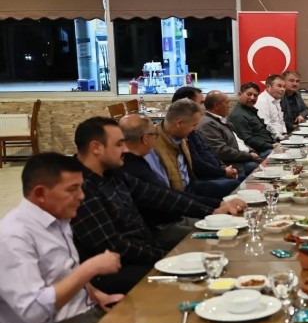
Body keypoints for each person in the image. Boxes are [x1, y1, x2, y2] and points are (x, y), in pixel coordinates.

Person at [71, 117, 241, 294]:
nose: (125, 149)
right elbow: (113, 246)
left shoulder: (112, 173)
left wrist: (214, 208)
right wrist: (167, 257)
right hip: (115, 270)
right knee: (199, 276)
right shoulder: (78, 186)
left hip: (142, 250)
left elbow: (158, 195)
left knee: (212, 254)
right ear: (96, 148)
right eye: (119, 144)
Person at [0, 153, 122, 323]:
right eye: (72, 189)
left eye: (81, 187)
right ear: (40, 193)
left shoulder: (57, 218)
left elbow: (63, 271)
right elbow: (32, 311)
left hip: (76, 318)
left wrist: (96, 294)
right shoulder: (13, 236)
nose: (81, 196)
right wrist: (90, 268)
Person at [153, 98, 239, 200]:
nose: (195, 129)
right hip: (177, 197)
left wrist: (222, 168)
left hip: (191, 187)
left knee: (236, 186)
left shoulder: (181, 137)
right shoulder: (152, 144)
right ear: (179, 123)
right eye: (194, 125)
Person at [171, 86, 241, 183]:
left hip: (215, 171)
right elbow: (198, 164)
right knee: (235, 182)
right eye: (201, 103)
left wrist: (223, 167)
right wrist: (223, 172)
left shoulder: (192, 128)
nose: (204, 107)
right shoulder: (184, 131)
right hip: (201, 179)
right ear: (186, 105)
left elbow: (207, 151)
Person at [197, 90, 261, 175]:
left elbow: (240, 142)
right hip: (232, 165)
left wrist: (251, 151)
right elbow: (222, 151)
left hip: (244, 157)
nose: (229, 106)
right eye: (227, 103)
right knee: (259, 167)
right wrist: (249, 155)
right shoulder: (207, 124)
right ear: (216, 106)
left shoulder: (223, 121)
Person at [229, 82, 277, 155]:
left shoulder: (250, 110)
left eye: (255, 95)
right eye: (249, 94)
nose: (252, 98)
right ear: (240, 94)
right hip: (259, 152)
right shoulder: (238, 115)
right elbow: (247, 140)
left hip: (268, 146)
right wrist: (271, 146)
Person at [256, 74, 289, 141]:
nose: (283, 89)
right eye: (279, 86)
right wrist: (281, 138)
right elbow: (266, 124)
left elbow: (281, 121)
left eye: (284, 87)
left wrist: (284, 133)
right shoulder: (262, 101)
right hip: (270, 140)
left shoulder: (276, 100)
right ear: (268, 86)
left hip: (281, 137)